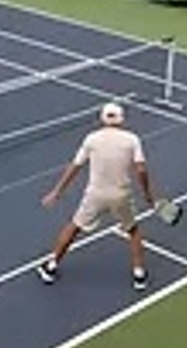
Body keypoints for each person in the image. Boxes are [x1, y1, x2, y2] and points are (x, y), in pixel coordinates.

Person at [37, 102, 156, 291]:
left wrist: (57, 192)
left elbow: (75, 166)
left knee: (74, 227)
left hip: (95, 195)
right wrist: (148, 195)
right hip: (121, 195)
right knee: (133, 231)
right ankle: (139, 274)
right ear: (121, 119)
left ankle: (51, 267)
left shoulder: (91, 139)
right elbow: (141, 170)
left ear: (102, 118)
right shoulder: (132, 139)